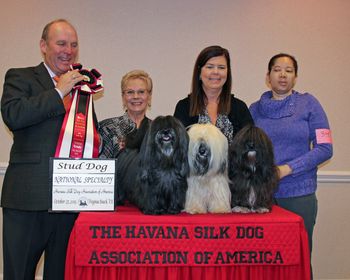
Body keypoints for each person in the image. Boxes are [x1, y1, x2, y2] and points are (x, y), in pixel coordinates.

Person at [1, 19, 88, 280]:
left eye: (73, 45)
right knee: (19, 274)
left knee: (61, 274)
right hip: (28, 197)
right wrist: (58, 91)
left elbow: (86, 137)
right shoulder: (20, 76)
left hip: (68, 200)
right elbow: (14, 115)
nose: (68, 50)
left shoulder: (82, 87)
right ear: (43, 45)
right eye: (61, 43)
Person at [249, 53, 333, 259]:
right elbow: (246, 150)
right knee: (265, 261)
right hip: (261, 196)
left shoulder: (309, 104)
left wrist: (287, 169)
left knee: (298, 258)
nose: (283, 75)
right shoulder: (253, 110)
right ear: (268, 76)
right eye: (277, 70)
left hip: (299, 195)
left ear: (295, 77)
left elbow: (325, 148)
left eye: (289, 71)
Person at [173, 45, 253, 145]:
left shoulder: (239, 107)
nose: (216, 72)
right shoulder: (184, 107)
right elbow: (177, 148)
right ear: (199, 72)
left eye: (221, 67)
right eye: (210, 67)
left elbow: (251, 145)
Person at [99, 70, 153, 158]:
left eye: (141, 92)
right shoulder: (107, 128)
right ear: (123, 97)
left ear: (149, 96)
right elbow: (104, 169)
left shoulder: (157, 130)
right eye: (130, 92)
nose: (136, 96)